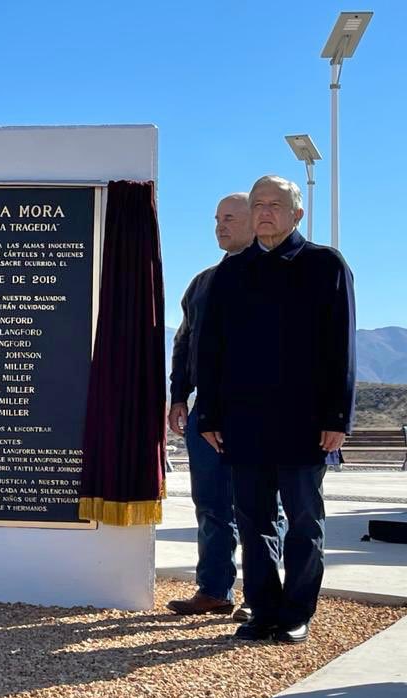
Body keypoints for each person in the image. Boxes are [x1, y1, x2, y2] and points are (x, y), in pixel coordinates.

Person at [197, 175, 356, 644]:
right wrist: (209, 416)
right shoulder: (230, 273)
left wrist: (338, 418)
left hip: (306, 423)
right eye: (258, 204)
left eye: (276, 205)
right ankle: (263, 609)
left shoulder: (325, 265)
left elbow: (341, 347)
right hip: (243, 422)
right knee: (253, 519)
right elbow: (210, 349)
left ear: (297, 214)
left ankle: (296, 613)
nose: (265, 212)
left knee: (304, 521)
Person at [166, 194, 253, 619]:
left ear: (257, 220)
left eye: (230, 218)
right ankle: (214, 589)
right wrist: (179, 395)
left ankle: (261, 597)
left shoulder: (273, 279)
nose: (220, 226)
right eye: (217, 219)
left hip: (256, 410)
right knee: (210, 503)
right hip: (206, 412)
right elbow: (184, 345)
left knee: (258, 505)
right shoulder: (201, 283)